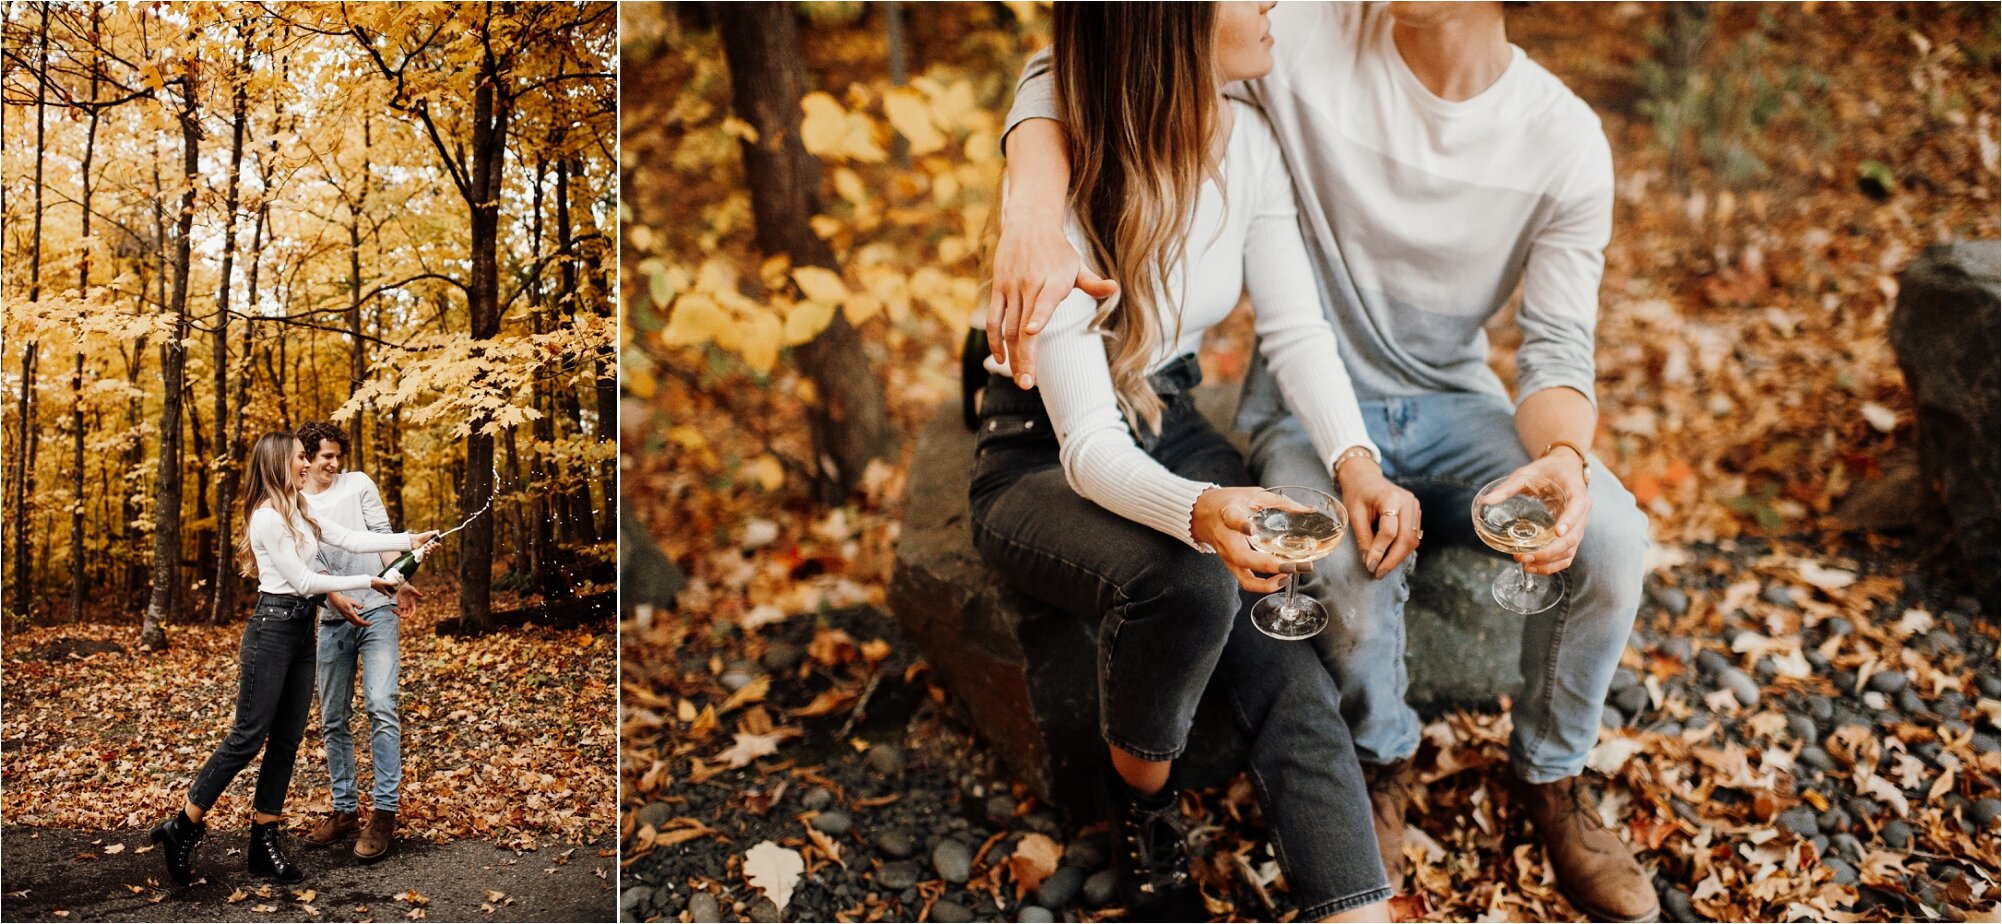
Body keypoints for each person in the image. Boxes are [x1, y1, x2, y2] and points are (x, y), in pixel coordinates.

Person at [990, 2, 1659, 920]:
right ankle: (1365, 763)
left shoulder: (1564, 140)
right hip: (1201, 417)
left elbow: (1552, 352)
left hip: (1440, 404)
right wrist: (1028, 200)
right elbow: (1096, 47)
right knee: (1291, 571)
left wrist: (1566, 458)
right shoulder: (1299, 30)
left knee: (1615, 540)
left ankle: (1546, 781)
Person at [969, 3, 1408, 919]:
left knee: (1283, 631)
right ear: (1174, 18)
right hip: (1040, 450)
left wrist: (1355, 460)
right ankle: (1144, 810)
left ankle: (1355, 905)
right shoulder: (1069, 172)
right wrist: (1200, 511)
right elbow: (1088, 447)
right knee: (1193, 581)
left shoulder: (1249, 137)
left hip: (1166, 409)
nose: (1271, 5)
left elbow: (1293, 329)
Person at [150, 432, 435, 886]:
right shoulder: (266, 517)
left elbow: (346, 536)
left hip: (303, 630)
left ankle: (264, 841)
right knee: (247, 737)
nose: (307, 464)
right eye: (301, 457)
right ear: (280, 462)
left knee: (286, 741)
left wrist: (408, 539)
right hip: (272, 630)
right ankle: (183, 825)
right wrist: (369, 582)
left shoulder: (298, 509)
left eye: (307, 457)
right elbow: (303, 578)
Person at [295, 421, 421, 862]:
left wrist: (399, 581)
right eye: (325, 455)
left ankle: (384, 812)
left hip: (379, 610)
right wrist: (334, 596)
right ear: (306, 457)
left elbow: (381, 537)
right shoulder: (296, 500)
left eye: (337, 455)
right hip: (332, 619)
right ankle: (345, 810)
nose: (334, 463)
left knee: (381, 706)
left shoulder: (359, 484)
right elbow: (310, 563)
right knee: (333, 719)